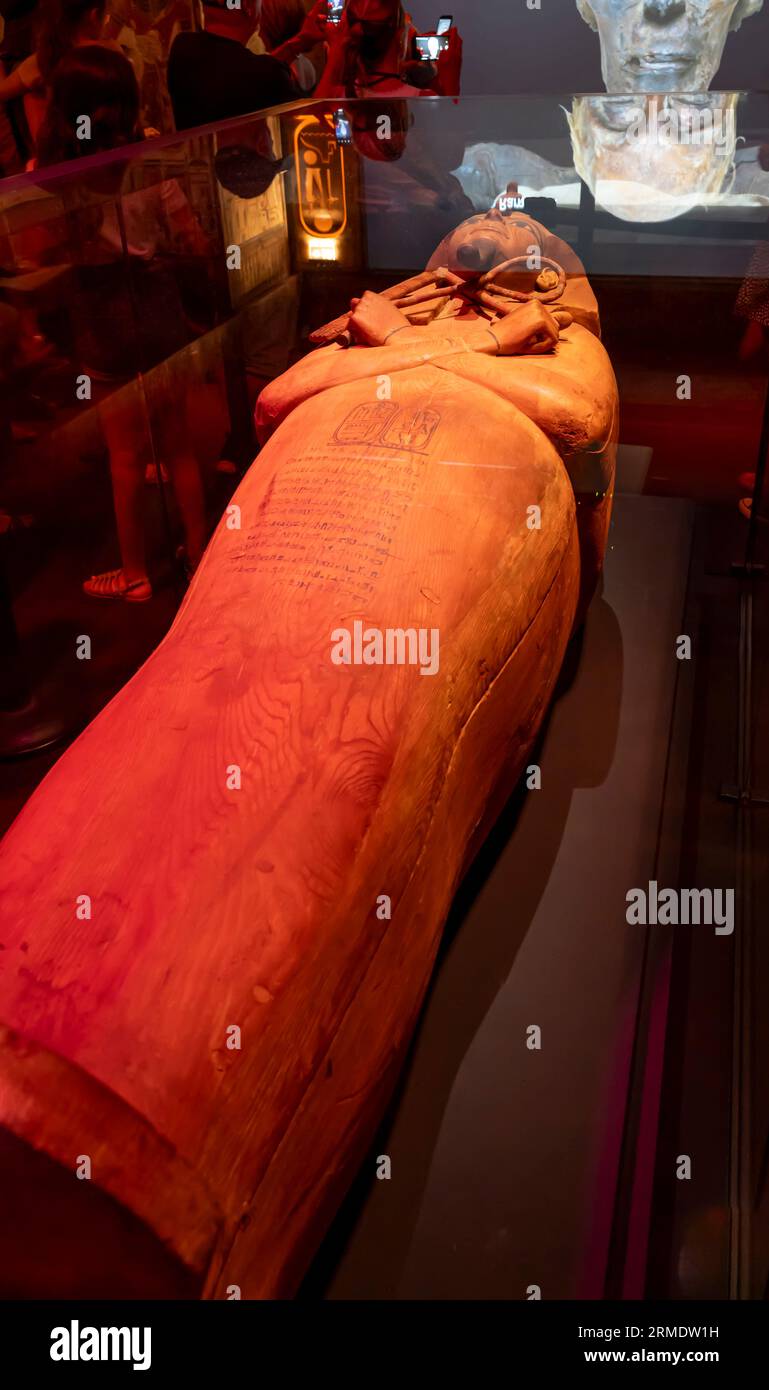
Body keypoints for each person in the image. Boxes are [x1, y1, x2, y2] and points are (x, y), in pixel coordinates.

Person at [35, 45, 213, 600]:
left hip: (101, 315)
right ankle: (200, 553)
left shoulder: (49, 174)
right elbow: (195, 241)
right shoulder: (151, 156)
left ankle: (135, 573)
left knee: (124, 454)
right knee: (178, 442)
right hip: (157, 305)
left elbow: (41, 254)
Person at [272, 0, 461, 99]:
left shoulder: (334, 95)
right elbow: (450, 156)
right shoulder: (423, 99)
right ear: (400, 41)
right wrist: (448, 77)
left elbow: (262, 76)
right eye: (407, 24)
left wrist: (302, 40)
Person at [0, 0, 107, 150]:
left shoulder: (43, 61)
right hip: (97, 153)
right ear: (94, 17)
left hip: (63, 157)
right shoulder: (111, 57)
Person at [167, 27, 299, 131]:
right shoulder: (269, 75)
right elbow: (309, 122)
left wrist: (299, 43)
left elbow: (249, 72)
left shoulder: (183, 46)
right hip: (251, 164)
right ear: (248, 7)